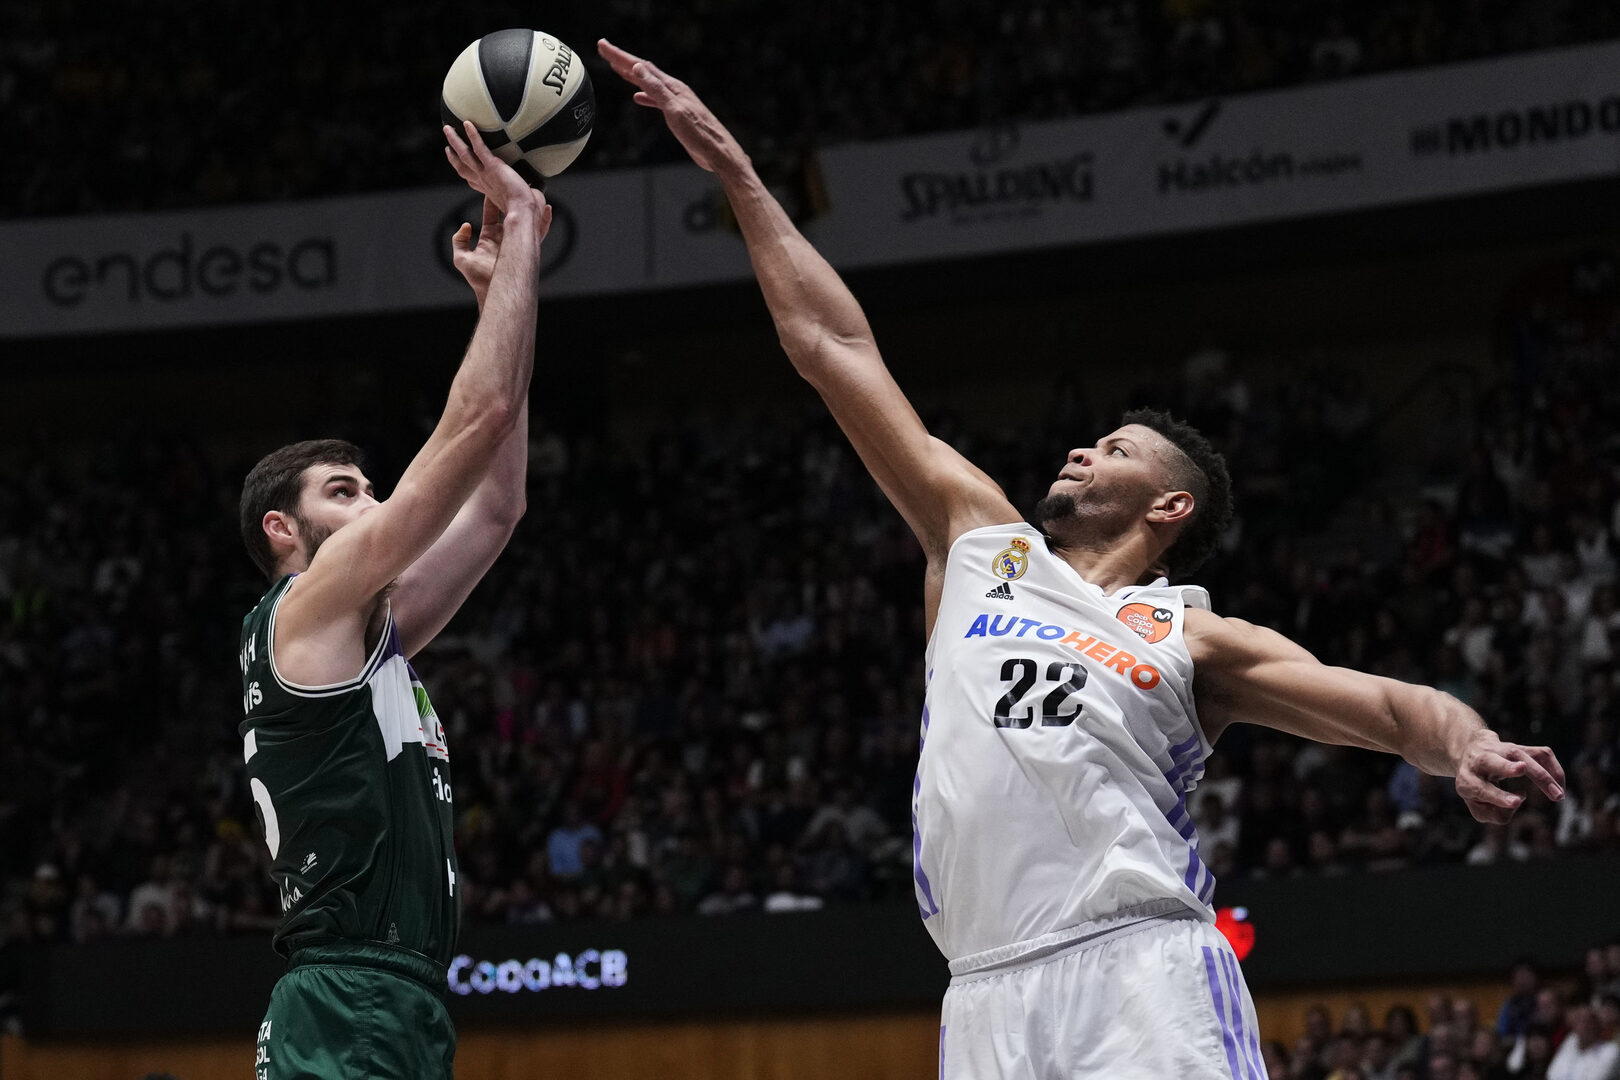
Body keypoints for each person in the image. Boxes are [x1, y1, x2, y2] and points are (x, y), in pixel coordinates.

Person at [596, 39, 1569, 1079]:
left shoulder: (1194, 636)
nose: (1080, 450)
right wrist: (739, 174)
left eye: (1115, 449)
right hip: (982, 990)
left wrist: (1468, 744)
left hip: (1140, 968)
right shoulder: (979, 544)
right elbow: (834, 350)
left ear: (1169, 505)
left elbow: (1391, 708)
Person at [235, 122, 553, 1080]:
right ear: (282, 530)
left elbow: (497, 506)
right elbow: (477, 416)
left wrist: (500, 296)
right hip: (350, 997)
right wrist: (523, 234)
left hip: (397, 995)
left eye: (371, 488)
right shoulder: (306, 609)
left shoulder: (366, 633)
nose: (372, 504)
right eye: (344, 492)